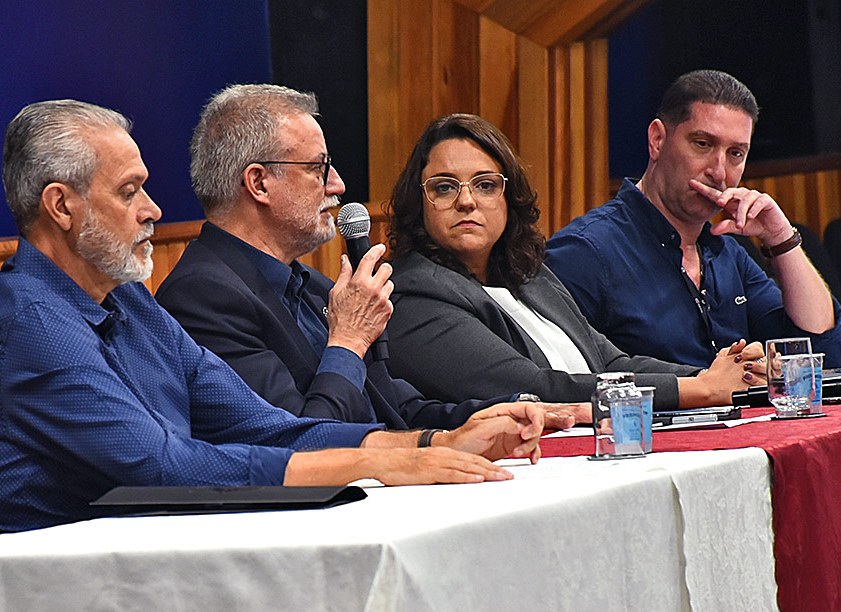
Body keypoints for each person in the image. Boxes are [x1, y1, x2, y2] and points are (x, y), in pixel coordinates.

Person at [0, 100, 559, 540]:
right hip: (33, 596)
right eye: (129, 192)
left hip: (130, 559)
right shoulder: (29, 321)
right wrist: (375, 462)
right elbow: (165, 467)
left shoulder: (128, 303)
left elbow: (266, 428)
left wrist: (431, 443)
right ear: (61, 206)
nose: (154, 210)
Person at [156, 83, 587, 431]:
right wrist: (348, 341)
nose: (338, 185)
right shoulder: (203, 297)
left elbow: (397, 410)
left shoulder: (310, 286)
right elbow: (305, 441)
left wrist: (495, 413)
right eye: (318, 168)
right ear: (260, 183)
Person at [385, 113, 762, 408]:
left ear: (508, 197)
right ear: (419, 203)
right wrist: (697, 391)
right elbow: (537, 387)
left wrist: (721, 375)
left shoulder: (529, 276)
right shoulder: (414, 295)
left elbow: (611, 364)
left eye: (485, 185)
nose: (466, 201)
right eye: (444, 187)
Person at [545, 69, 841, 368]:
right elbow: (564, 379)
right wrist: (708, 385)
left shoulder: (726, 252)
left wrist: (781, 238)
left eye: (736, 154)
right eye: (703, 144)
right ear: (658, 140)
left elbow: (822, 354)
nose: (719, 171)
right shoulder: (584, 252)